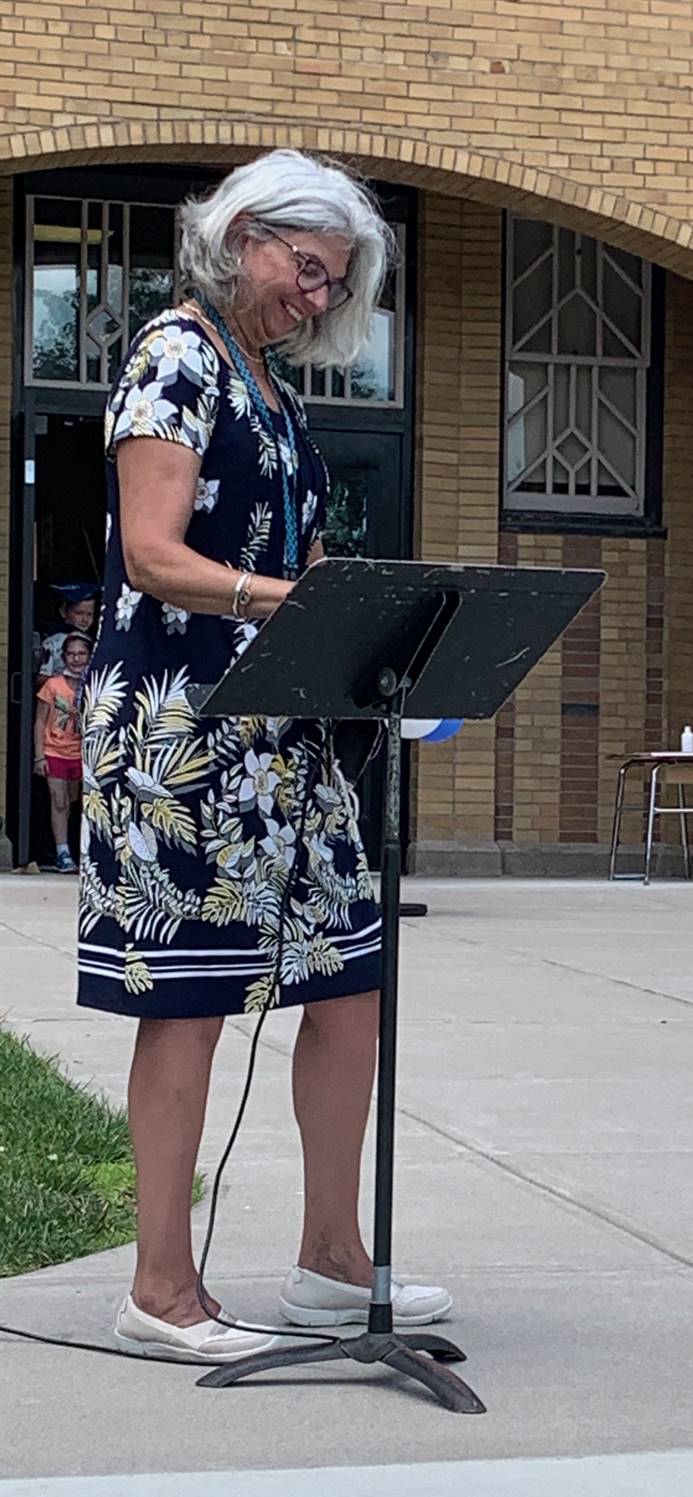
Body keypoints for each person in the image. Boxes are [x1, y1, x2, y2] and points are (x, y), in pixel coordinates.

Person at [80, 149, 451, 1362]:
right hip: (184, 740)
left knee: (351, 981)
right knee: (188, 1004)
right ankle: (158, 1288)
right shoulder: (174, 357)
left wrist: (328, 618)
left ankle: (332, 1263)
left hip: (285, 741)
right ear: (242, 235)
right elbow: (150, 551)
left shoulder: (273, 391)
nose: (317, 297)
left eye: (336, 284)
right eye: (307, 268)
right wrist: (288, 598)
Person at [34, 632, 93, 871]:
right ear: (64, 656)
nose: (76, 659)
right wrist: (39, 756)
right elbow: (39, 721)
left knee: (74, 803)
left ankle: (81, 850)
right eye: (71, 654)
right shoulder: (52, 685)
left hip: (82, 753)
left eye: (81, 654)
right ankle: (62, 852)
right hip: (54, 750)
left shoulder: (94, 685)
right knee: (58, 802)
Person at [35, 582, 99, 683]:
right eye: (79, 613)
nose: (84, 619)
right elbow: (42, 678)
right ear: (63, 612)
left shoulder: (95, 642)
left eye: (89, 614)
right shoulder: (52, 643)